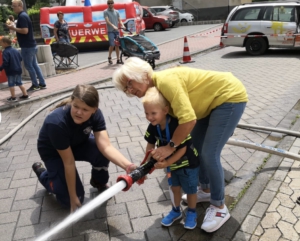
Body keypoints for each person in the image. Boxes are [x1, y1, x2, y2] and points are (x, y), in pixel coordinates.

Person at [112, 57, 248, 233]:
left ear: (144, 74)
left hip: (228, 97)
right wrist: (147, 165)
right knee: (197, 148)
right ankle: (206, 190)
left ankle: (219, 207)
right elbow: (167, 130)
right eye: (125, 88)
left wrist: (170, 147)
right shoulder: (156, 93)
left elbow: (188, 120)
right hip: (209, 105)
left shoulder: (166, 82)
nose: (129, 91)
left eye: (130, 83)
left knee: (209, 153)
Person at [32, 84, 137, 213]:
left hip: (77, 142)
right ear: (71, 101)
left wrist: (128, 166)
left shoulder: (96, 115)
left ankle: (98, 181)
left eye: (85, 109)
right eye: (75, 106)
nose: (79, 112)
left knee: (100, 152)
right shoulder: (56, 123)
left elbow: (106, 147)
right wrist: (72, 196)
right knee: (71, 199)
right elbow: (69, 162)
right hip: (54, 152)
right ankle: (44, 174)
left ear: (94, 110)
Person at [142, 87, 200, 229]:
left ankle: (192, 213)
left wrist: (166, 162)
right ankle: (175, 211)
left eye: (153, 113)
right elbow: (150, 144)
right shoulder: (153, 126)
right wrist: (147, 163)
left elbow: (182, 149)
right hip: (172, 166)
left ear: (165, 110)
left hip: (188, 163)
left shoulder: (176, 125)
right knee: (174, 188)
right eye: (146, 113)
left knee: (190, 189)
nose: (150, 117)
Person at [7, 0, 47, 92]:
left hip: (27, 46)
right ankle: (42, 82)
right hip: (31, 45)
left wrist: (13, 28)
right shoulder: (23, 15)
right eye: (12, 6)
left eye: (14, 6)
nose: (13, 8)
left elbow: (25, 31)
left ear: (20, 6)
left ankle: (35, 84)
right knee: (34, 65)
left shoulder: (22, 16)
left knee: (29, 66)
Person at [0, 36, 29, 102]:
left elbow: (6, 62)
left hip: (10, 70)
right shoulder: (15, 50)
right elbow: (20, 58)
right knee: (20, 83)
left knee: (11, 84)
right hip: (18, 69)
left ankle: (13, 97)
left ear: (5, 43)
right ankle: (25, 95)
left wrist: (1, 68)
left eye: (1, 42)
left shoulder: (5, 52)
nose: (0, 44)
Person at [104, 0, 125, 65]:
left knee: (117, 45)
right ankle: (109, 57)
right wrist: (113, 26)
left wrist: (123, 25)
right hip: (110, 31)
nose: (110, 4)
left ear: (113, 4)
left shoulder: (117, 12)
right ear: (107, 4)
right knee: (112, 44)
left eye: (111, 3)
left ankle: (118, 59)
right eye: (109, 3)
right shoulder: (105, 12)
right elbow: (107, 21)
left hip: (116, 31)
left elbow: (120, 20)